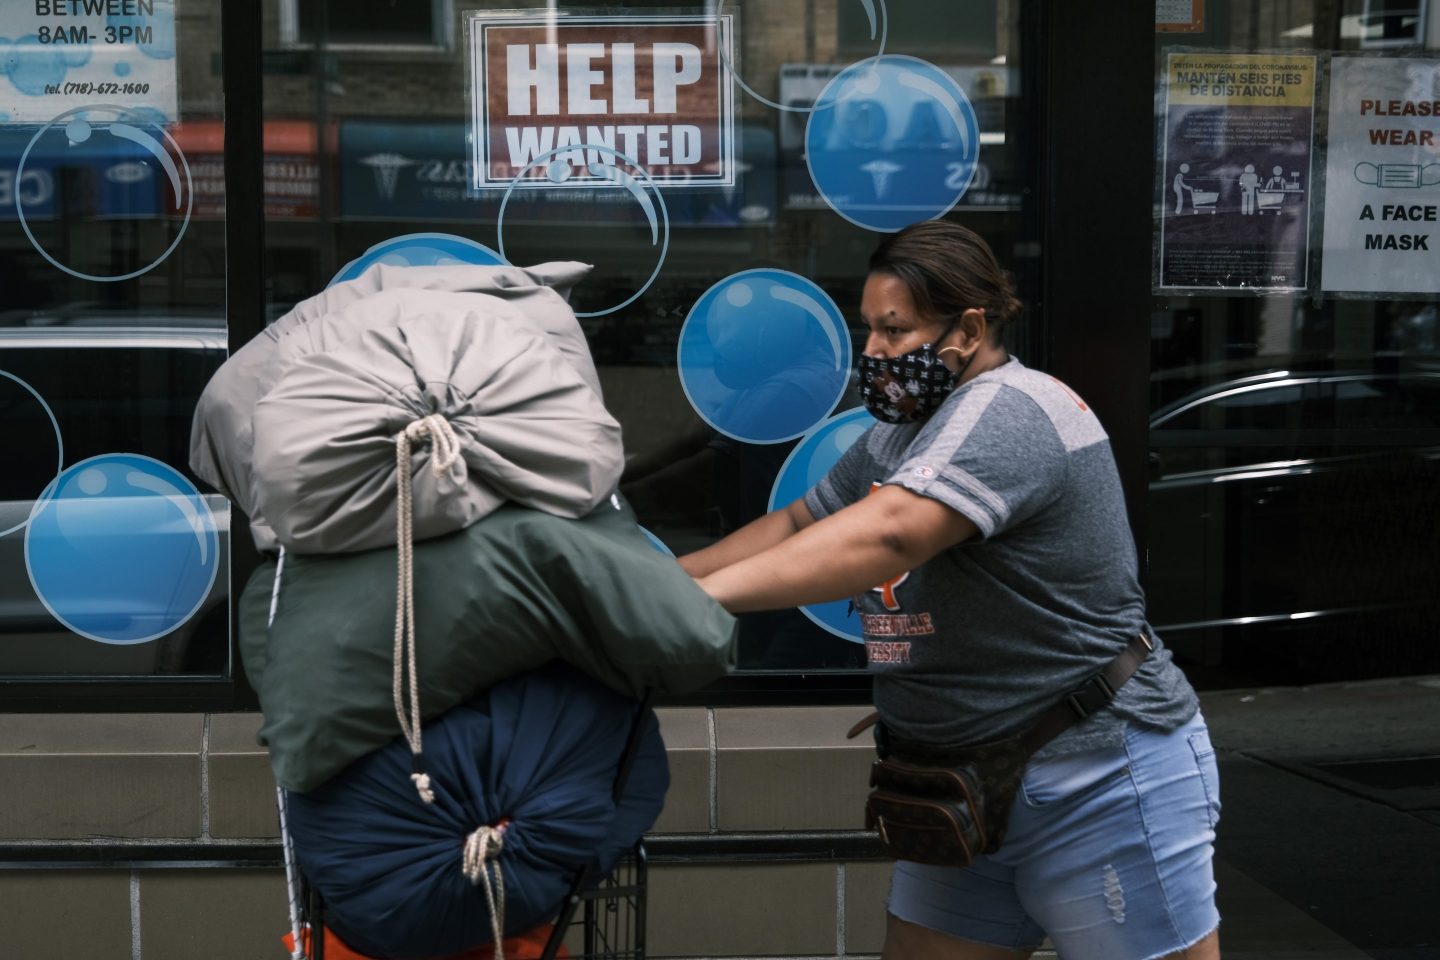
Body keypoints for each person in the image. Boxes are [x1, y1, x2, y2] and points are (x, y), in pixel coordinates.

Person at [679, 220, 1221, 960]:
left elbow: (893, 535)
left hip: (1095, 774)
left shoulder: (1012, 409)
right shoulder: (899, 433)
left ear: (967, 330)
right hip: (958, 780)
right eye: (869, 329)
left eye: (894, 330)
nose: (873, 351)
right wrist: (667, 581)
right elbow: (800, 523)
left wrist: (700, 602)